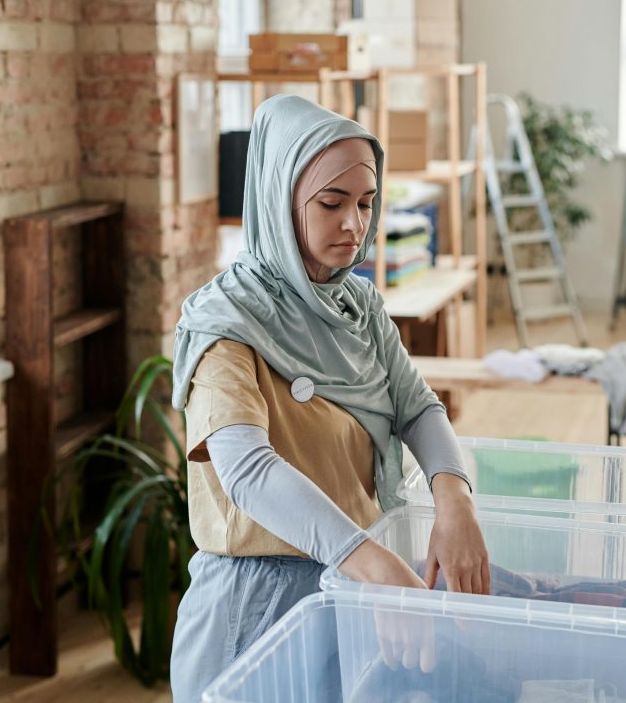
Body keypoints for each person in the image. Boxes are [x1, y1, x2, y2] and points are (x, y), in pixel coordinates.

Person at [168, 95, 489, 701]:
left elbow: (418, 407)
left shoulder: (356, 305)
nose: (354, 224)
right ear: (277, 198)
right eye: (331, 203)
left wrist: (455, 503)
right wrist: (371, 564)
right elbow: (248, 471)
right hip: (257, 606)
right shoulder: (224, 323)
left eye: (366, 203)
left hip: (350, 589)